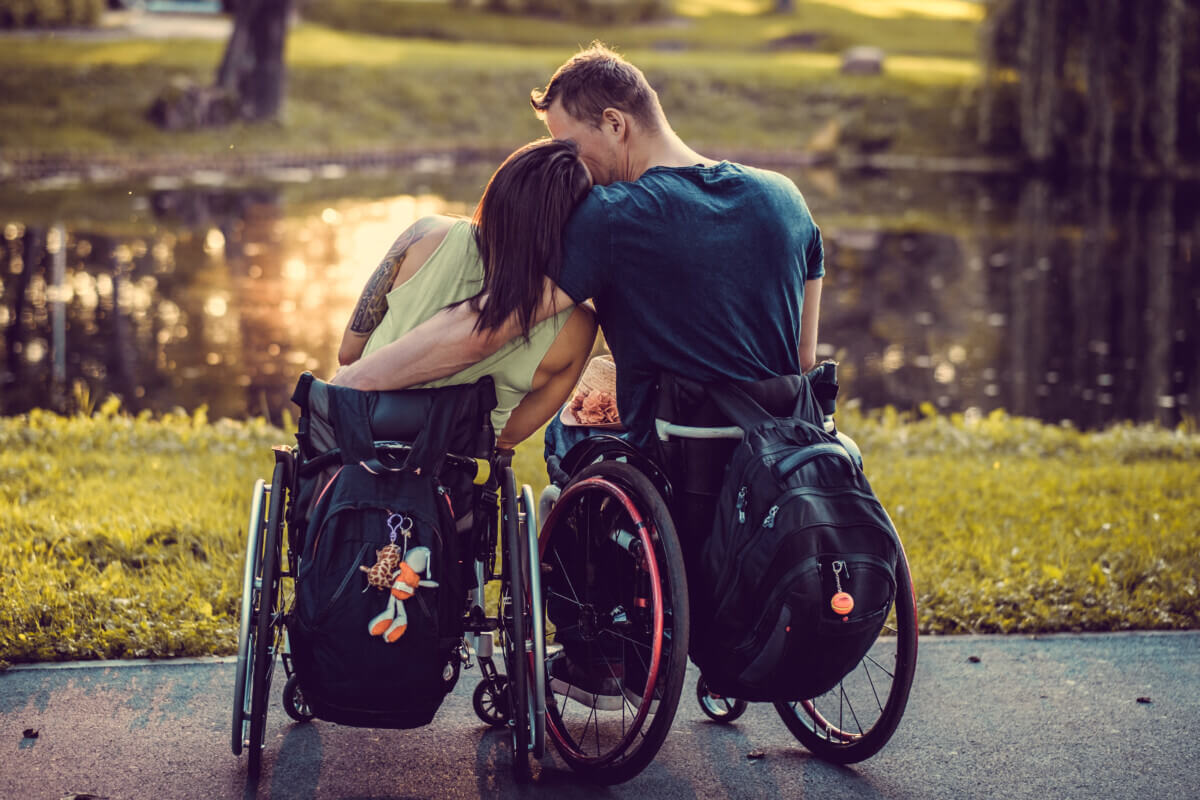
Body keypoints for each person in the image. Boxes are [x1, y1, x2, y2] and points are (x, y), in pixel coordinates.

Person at [332, 43, 823, 455]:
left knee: (565, 436)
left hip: (674, 448)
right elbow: (801, 359)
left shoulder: (611, 213)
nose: (562, 160)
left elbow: (486, 325)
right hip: (778, 449)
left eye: (566, 143)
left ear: (615, 124)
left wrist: (347, 390)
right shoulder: (786, 197)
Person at [333, 138, 597, 452]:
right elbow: (507, 437)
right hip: (455, 481)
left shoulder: (424, 236)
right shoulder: (578, 327)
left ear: (500, 192)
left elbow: (349, 354)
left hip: (355, 447)